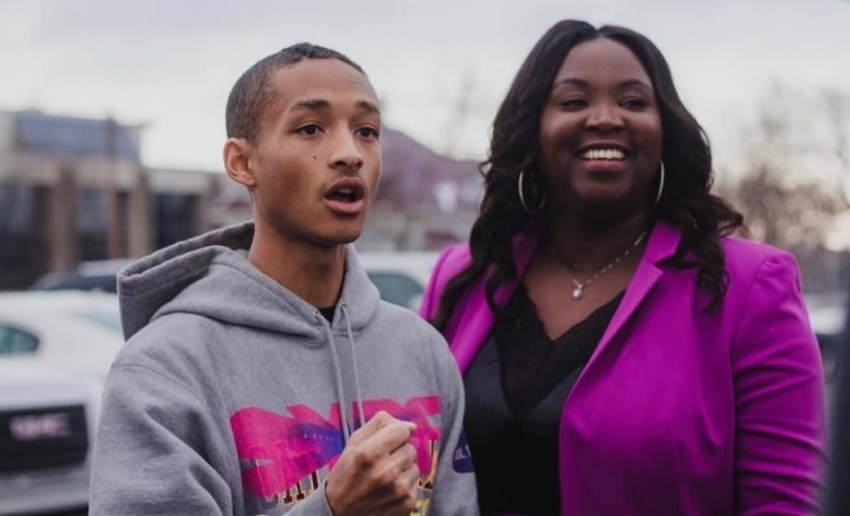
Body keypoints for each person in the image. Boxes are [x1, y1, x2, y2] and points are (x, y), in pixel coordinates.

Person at [419, 20, 825, 515]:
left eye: (633, 102)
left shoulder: (750, 286)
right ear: (532, 131)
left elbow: (783, 504)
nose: (606, 118)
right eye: (573, 101)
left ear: (665, 132)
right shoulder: (465, 275)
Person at [89, 43, 476, 516]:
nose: (349, 153)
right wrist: (332, 509)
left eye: (367, 131)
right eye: (310, 128)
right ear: (241, 163)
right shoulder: (164, 367)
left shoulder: (422, 350)